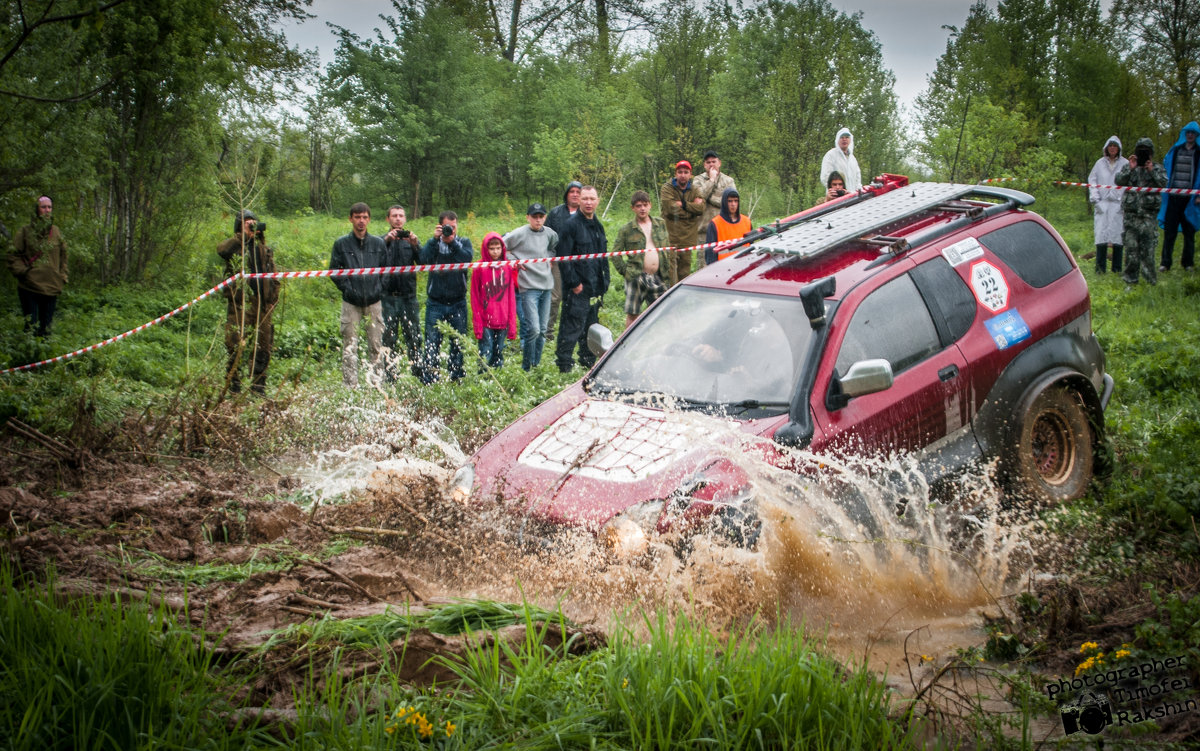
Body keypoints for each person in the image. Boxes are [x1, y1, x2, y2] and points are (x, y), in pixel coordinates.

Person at [216, 210, 279, 393]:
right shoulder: (235, 248)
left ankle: (258, 386)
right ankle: (234, 385)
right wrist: (241, 236)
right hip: (241, 304)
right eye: (247, 223)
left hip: (263, 303)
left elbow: (274, 275)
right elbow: (221, 250)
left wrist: (273, 298)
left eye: (253, 223)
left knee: (264, 344)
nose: (252, 226)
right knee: (235, 342)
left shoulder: (264, 250)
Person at [329, 202, 385, 388]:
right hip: (351, 303)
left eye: (364, 217)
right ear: (351, 218)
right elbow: (334, 271)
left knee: (375, 345)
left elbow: (387, 270)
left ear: (369, 219)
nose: (361, 221)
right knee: (349, 345)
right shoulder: (341, 244)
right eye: (357, 217)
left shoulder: (378, 243)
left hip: (373, 302)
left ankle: (376, 384)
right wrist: (347, 289)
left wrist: (378, 288)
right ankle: (350, 385)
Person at [555, 185, 610, 373]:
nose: (588, 202)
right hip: (577, 288)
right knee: (571, 329)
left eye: (592, 199)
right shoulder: (570, 225)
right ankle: (564, 367)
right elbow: (563, 258)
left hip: (595, 287)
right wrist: (574, 284)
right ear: (579, 201)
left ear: (597, 201)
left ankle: (588, 364)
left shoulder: (598, 225)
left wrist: (605, 281)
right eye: (584, 199)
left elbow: (603, 256)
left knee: (591, 329)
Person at [419, 211, 473, 382]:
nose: (451, 230)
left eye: (454, 226)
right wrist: (435, 240)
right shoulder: (434, 244)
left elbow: (466, 258)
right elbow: (423, 260)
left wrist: (453, 243)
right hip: (436, 302)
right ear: (440, 226)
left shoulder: (463, 242)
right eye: (447, 227)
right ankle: (430, 377)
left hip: (458, 301)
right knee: (432, 342)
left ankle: (456, 376)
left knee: (458, 342)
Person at [503, 203, 558, 370]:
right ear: (528, 217)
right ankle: (526, 366)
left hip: (547, 286)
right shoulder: (519, 233)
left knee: (542, 330)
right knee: (533, 329)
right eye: (534, 216)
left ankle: (536, 364)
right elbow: (500, 246)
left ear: (545, 217)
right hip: (528, 287)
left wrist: (549, 258)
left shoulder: (550, 233)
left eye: (541, 216)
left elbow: (553, 248)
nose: (538, 220)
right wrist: (513, 261)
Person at [8, 195, 67, 338]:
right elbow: (12, 255)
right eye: (43, 207)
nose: (47, 210)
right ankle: (28, 357)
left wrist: (63, 276)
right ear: (37, 209)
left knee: (46, 329)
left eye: (49, 207)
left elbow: (63, 256)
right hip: (30, 287)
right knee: (31, 327)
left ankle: (45, 358)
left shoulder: (56, 232)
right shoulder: (25, 232)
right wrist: (23, 272)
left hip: (51, 287)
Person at [611, 190, 670, 328]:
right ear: (633, 208)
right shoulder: (626, 229)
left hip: (658, 276)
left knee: (665, 311)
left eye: (645, 205)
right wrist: (626, 271)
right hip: (636, 277)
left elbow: (667, 248)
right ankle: (628, 345)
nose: (642, 208)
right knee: (632, 314)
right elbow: (615, 253)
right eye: (638, 206)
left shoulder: (660, 224)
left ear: (650, 205)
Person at [1116, 138, 1168, 287]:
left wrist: (1152, 171)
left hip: (1148, 217)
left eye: (1146, 151)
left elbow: (1164, 183)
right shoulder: (1130, 167)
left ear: (1151, 153)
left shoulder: (1157, 168)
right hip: (1131, 217)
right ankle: (1130, 281)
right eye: (1141, 150)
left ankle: (1149, 280)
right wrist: (1130, 168)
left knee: (1148, 251)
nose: (1144, 153)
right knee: (1131, 250)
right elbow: (1118, 181)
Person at [379, 205, 422, 380]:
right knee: (388, 338)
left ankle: (418, 373)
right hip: (388, 297)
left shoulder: (410, 240)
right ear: (388, 219)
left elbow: (423, 261)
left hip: (408, 297)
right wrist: (386, 241)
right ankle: (390, 376)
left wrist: (416, 245)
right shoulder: (380, 241)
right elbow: (374, 258)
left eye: (401, 216)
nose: (397, 219)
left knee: (413, 336)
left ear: (405, 219)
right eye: (394, 216)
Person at [471, 232, 518, 370]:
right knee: (485, 352)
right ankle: (483, 381)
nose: (495, 251)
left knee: (499, 353)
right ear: (486, 249)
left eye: (498, 248)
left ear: (502, 248)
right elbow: (475, 295)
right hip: (485, 319)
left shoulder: (507, 266)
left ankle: (497, 382)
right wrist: (478, 322)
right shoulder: (479, 267)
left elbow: (511, 296)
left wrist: (512, 323)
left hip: (502, 319)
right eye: (492, 248)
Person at [1157, 121, 1200, 272]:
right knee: (1170, 232)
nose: (1190, 135)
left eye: (1193, 133)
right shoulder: (1175, 151)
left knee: (1190, 233)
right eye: (1188, 132)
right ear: (1184, 134)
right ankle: (1165, 263)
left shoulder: (1199, 152)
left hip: (1191, 200)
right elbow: (1165, 169)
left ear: (1196, 135)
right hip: (1173, 197)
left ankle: (1187, 263)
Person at [544, 181, 582, 342]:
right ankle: (548, 331)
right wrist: (548, 256)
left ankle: (574, 330)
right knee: (555, 297)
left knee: (577, 295)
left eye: (578, 192)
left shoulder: (586, 213)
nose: (575, 194)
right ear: (566, 194)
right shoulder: (556, 213)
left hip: (580, 263)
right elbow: (545, 235)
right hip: (559, 260)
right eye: (571, 191)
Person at [659, 160, 704, 286]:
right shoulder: (667, 188)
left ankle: (682, 299)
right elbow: (671, 209)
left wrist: (683, 204)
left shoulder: (695, 189)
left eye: (686, 172)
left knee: (685, 273)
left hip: (688, 238)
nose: (682, 175)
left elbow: (701, 209)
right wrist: (691, 209)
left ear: (690, 174)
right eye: (680, 172)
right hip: (670, 237)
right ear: (675, 173)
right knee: (670, 274)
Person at [691, 150, 736, 267]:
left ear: (719, 163)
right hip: (704, 232)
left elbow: (731, 203)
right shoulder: (697, 180)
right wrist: (711, 180)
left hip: (724, 231)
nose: (711, 164)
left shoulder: (728, 181)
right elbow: (698, 198)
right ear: (704, 165)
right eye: (708, 162)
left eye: (714, 161)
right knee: (704, 268)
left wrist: (709, 198)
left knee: (726, 266)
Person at [1088, 136, 1125, 274]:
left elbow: (1129, 184)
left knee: (1117, 236)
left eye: (1115, 146)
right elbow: (1092, 181)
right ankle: (1100, 269)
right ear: (1106, 148)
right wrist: (1096, 200)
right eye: (1110, 146)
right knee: (1101, 235)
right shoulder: (1099, 164)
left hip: (1117, 205)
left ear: (1119, 148)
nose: (1113, 148)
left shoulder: (1125, 163)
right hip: (1102, 204)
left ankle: (1117, 269)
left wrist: (1123, 201)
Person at [704, 187, 752, 264]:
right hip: (724, 269)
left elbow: (752, 248)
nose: (733, 204)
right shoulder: (715, 224)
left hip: (744, 266)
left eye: (736, 201)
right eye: (730, 201)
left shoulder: (747, 221)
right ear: (724, 202)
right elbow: (710, 255)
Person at [820, 128, 862, 192]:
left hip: (852, 196)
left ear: (850, 140)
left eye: (847, 137)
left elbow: (857, 177)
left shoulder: (852, 159)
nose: (844, 139)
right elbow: (825, 177)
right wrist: (837, 191)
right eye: (842, 137)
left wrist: (858, 189)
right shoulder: (831, 155)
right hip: (836, 197)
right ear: (837, 140)